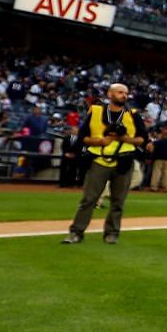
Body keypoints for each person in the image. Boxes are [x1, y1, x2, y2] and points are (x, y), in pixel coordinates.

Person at [61, 82, 148, 245]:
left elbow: (143, 139)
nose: (124, 95)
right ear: (110, 94)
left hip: (123, 159)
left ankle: (111, 233)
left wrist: (124, 138)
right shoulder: (95, 111)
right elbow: (82, 137)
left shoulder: (133, 114)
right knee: (89, 199)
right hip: (98, 159)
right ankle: (76, 232)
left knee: (118, 201)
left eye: (126, 93)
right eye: (120, 92)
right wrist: (101, 141)